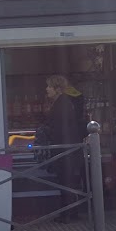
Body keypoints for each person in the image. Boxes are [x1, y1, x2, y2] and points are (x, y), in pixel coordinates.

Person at [44, 74, 87, 221]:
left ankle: (68, 214)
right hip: (67, 149)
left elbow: (61, 128)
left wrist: (48, 133)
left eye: (49, 86)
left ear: (57, 89)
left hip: (65, 150)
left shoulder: (62, 104)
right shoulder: (64, 103)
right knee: (66, 181)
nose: (46, 89)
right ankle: (69, 213)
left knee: (66, 181)